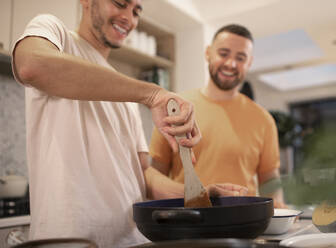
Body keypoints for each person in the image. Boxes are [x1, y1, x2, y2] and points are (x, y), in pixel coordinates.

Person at [11, 1, 250, 247]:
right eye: (120, 3)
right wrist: (153, 94)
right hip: (71, 240)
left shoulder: (126, 94)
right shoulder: (55, 33)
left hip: (132, 240)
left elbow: (144, 174)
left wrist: (198, 194)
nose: (129, 17)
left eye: (136, 11)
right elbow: (32, 65)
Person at [150, 24, 287, 208]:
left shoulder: (263, 119)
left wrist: (278, 212)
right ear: (208, 53)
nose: (231, 64)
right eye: (223, 54)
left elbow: (270, 180)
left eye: (240, 58)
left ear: (249, 63)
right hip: (187, 222)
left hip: (243, 224)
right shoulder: (176, 108)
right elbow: (154, 175)